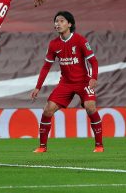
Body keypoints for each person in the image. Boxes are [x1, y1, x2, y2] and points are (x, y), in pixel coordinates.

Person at [30, 11, 103, 153]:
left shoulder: (80, 40)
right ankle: (42, 147)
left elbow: (93, 61)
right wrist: (38, 87)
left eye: (61, 21)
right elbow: (46, 67)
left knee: (90, 107)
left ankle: (99, 145)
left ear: (70, 24)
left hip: (83, 82)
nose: (58, 24)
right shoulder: (53, 45)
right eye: (56, 21)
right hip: (66, 83)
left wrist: (94, 77)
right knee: (48, 109)